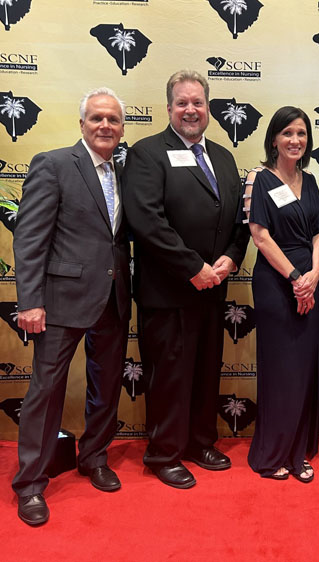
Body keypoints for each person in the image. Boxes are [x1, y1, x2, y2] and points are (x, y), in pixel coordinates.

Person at [122, 70, 249, 489]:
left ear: (208, 108)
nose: (191, 110)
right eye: (182, 103)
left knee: (205, 372)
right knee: (171, 375)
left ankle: (198, 442)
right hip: (170, 290)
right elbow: (147, 220)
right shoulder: (147, 153)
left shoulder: (225, 157)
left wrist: (231, 257)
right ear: (169, 108)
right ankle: (164, 453)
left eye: (198, 103)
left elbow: (238, 219)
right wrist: (192, 267)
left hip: (214, 289)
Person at [12, 88, 131, 526]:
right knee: (46, 392)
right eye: (97, 118)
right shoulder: (55, 163)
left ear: (122, 128)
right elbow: (29, 238)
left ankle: (95, 457)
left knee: (107, 383)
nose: (105, 126)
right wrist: (30, 302)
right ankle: (30, 483)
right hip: (60, 301)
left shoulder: (123, 170)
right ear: (82, 123)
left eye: (113, 120)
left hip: (114, 297)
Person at [245, 107, 319, 483]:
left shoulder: (310, 181)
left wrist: (314, 274)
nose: (296, 140)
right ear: (274, 138)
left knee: (305, 366)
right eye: (288, 133)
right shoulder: (259, 178)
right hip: (277, 284)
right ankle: (273, 452)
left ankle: (298, 450)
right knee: (281, 369)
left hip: (311, 280)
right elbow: (260, 236)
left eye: (302, 133)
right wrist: (295, 278)